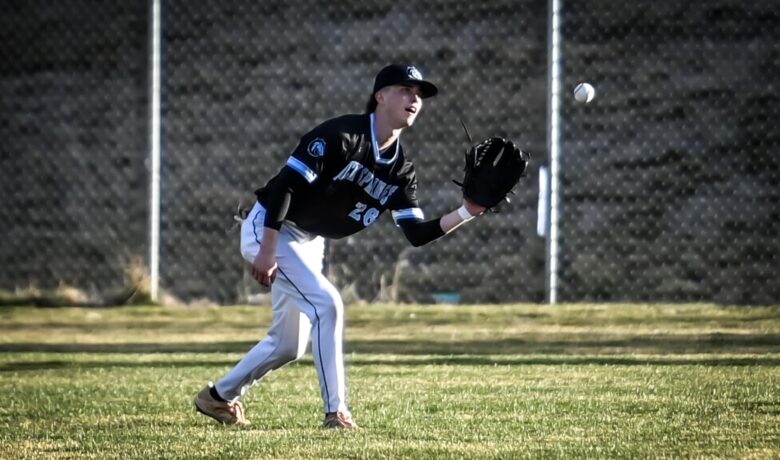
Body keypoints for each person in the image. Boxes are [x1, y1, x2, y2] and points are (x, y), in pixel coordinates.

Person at [194, 64, 487, 429]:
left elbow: (416, 233)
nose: (414, 98)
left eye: (419, 94)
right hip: (270, 226)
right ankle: (337, 413)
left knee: (288, 345)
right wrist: (267, 249)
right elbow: (286, 186)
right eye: (404, 89)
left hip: (308, 242)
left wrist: (467, 211)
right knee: (328, 304)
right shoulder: (342, 135)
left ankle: (218, 397)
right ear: (380, 96)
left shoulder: (400, 170)